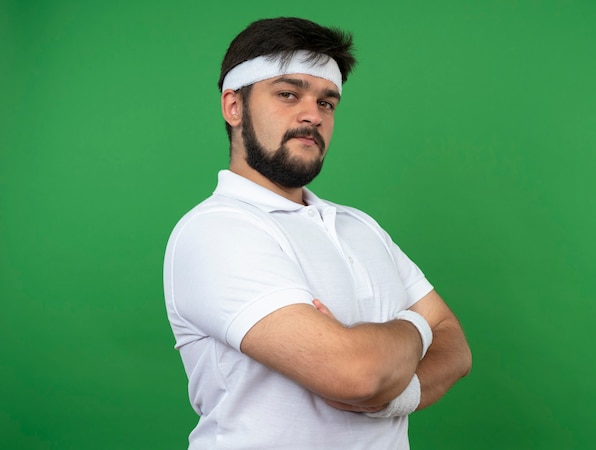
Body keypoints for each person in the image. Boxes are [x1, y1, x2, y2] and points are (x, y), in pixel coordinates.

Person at [164, 17, 471, 450]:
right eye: (288, 94)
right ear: (233, 107)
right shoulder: (215, 229)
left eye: (327, 102)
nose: (312, 115)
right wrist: (419, 327)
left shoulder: (359, 226)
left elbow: (456, 348)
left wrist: (394, 395)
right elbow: (355, 374)